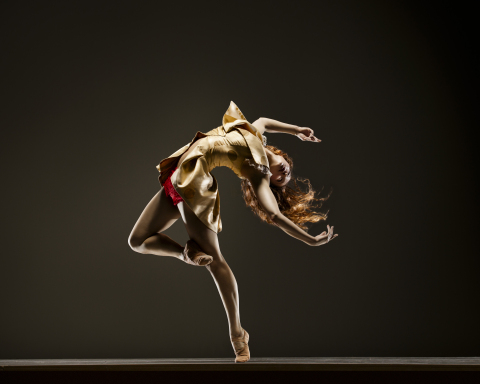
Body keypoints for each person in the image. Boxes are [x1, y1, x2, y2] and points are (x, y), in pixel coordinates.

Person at [128, 101, 339, 363]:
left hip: (194, 183)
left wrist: (309, 240)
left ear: (270, 181)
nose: (285, 173)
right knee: (137, 240)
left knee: (215, 262)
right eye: (287, 168)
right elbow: (264, 120)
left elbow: (274, 215)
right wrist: (296, 130)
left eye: (281, 180)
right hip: (176, 177)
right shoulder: (255, 134)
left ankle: (238, 335)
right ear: (283, 155)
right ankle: (185, 253)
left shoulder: (259, 173)